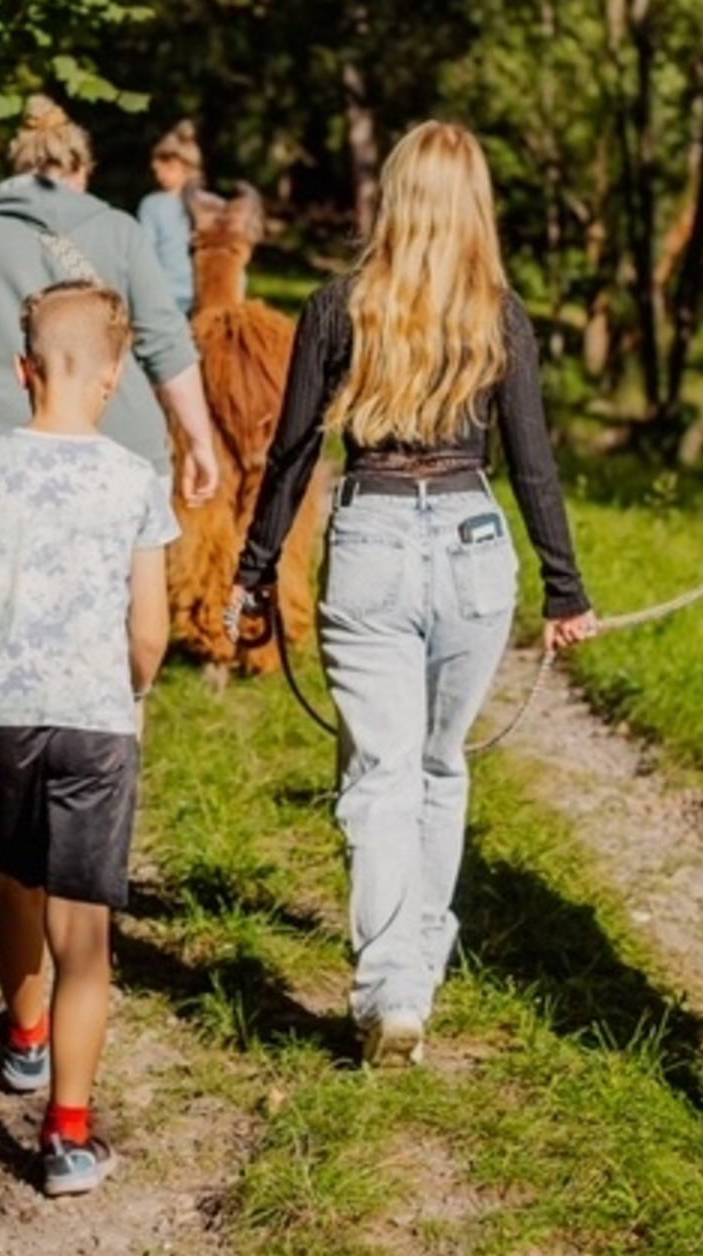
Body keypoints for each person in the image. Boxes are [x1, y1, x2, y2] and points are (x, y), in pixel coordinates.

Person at [229, 120, 598, 1067]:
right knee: (440, 766)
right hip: (475, 542)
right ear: (475, 204)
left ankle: (395, 985)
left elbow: (295, 449)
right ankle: (413, 978)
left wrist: (255, 567)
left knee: (381, 774)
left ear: (392, 197)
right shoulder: (499, 314)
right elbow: (534, 462)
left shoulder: (335, 307)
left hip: (375, 538)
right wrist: (565, 589)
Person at [0, 280, 177, 1197]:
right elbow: (149, 630)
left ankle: (24, 1037)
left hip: (6, 714)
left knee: (14, 881)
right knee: (88, 937)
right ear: (113, 376)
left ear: (23, 368)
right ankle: (67, 1137)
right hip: (95, 723)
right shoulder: (134, 480)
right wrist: (136, 689)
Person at [0, 95, 219, 506]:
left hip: (1, 457)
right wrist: (200, 442)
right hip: (123, 456)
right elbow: (168, 345)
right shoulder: (121, 232)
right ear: (82, 172)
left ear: (16, 172)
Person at [136, 120, 201, 316]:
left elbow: (144, 254)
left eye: (165, 166)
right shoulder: (205, 204)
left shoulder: (152, 205)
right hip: (200, 294)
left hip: (165, 296)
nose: (158, 173)